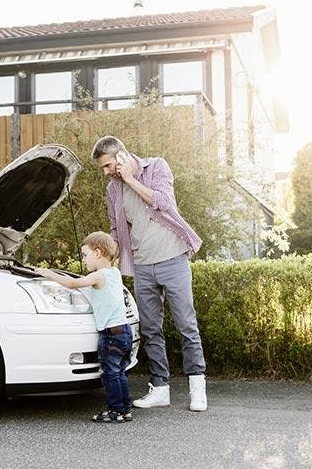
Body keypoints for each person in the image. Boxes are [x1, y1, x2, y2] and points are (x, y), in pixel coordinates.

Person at [91, 135, 207, 412]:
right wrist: (102, 256)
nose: (106, 173)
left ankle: (197, 387)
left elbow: (164, 203)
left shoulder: (156, 167)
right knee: (151, 328)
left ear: (121, 156)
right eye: (103, 168)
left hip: (173, 259)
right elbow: (117, 229)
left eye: (108, 166)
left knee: (186, 325)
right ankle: (160, 389)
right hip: (143, 265)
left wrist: (131, 179)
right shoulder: (112, 190)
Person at [35, 231, 134, 423]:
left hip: (111, 334)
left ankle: (114, 411)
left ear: (97, 253)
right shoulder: (114, 274)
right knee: (119, 372)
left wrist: (49, 273)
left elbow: (73, 283)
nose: (83, 259)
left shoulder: (98, 276)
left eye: (85, 254)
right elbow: (93, 290)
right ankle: (125, 409)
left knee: (110, 373)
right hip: (124, 331)